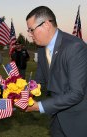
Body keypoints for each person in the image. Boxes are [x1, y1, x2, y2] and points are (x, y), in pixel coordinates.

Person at [25, 6, 87, 137]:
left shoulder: (75, 47)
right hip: (56, 119)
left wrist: (39, 106)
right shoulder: (42, 49)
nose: (29, 34)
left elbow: (76, 93)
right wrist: (22, 94)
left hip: (78, 121)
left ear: (46, 24)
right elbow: (39, 81)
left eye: (31, 30)